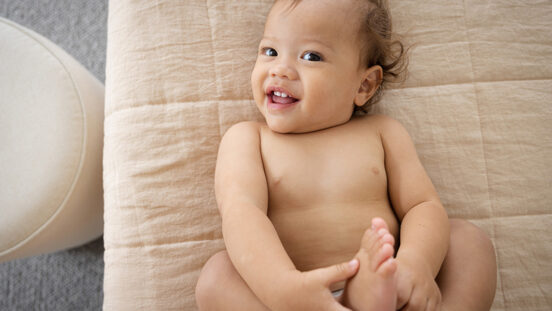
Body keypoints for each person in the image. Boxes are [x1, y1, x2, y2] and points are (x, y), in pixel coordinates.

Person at [195, 0, 497, 310]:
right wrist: (281, 286)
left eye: (311, 56)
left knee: (467, 242)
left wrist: (415, 263)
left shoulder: (383, 132)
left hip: (391, 284)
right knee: (217, 276)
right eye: (270, 51)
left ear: (364, 85)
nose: (280, 69)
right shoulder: (248, 139)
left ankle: (375, 290)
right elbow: (242, 214)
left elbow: (422, 205)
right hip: (303, 296)